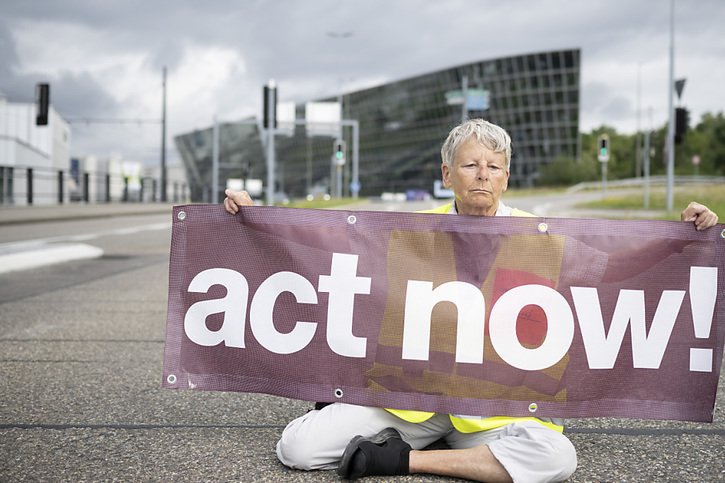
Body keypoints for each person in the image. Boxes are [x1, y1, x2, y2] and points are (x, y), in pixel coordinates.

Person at [224, 119, 719, 482]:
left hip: (498, 410)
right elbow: (324, 255)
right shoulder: (410, 232)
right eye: (470, 164)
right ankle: (382, 424)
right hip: (412, 403)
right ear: (447, 173)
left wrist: (684, 240)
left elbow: (620, 270)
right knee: (297, 448)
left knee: (556, 458)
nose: (482, 175)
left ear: (505, 177)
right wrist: (253, 220)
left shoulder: (544, 237)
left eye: (493, 167)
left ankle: (400, 460)